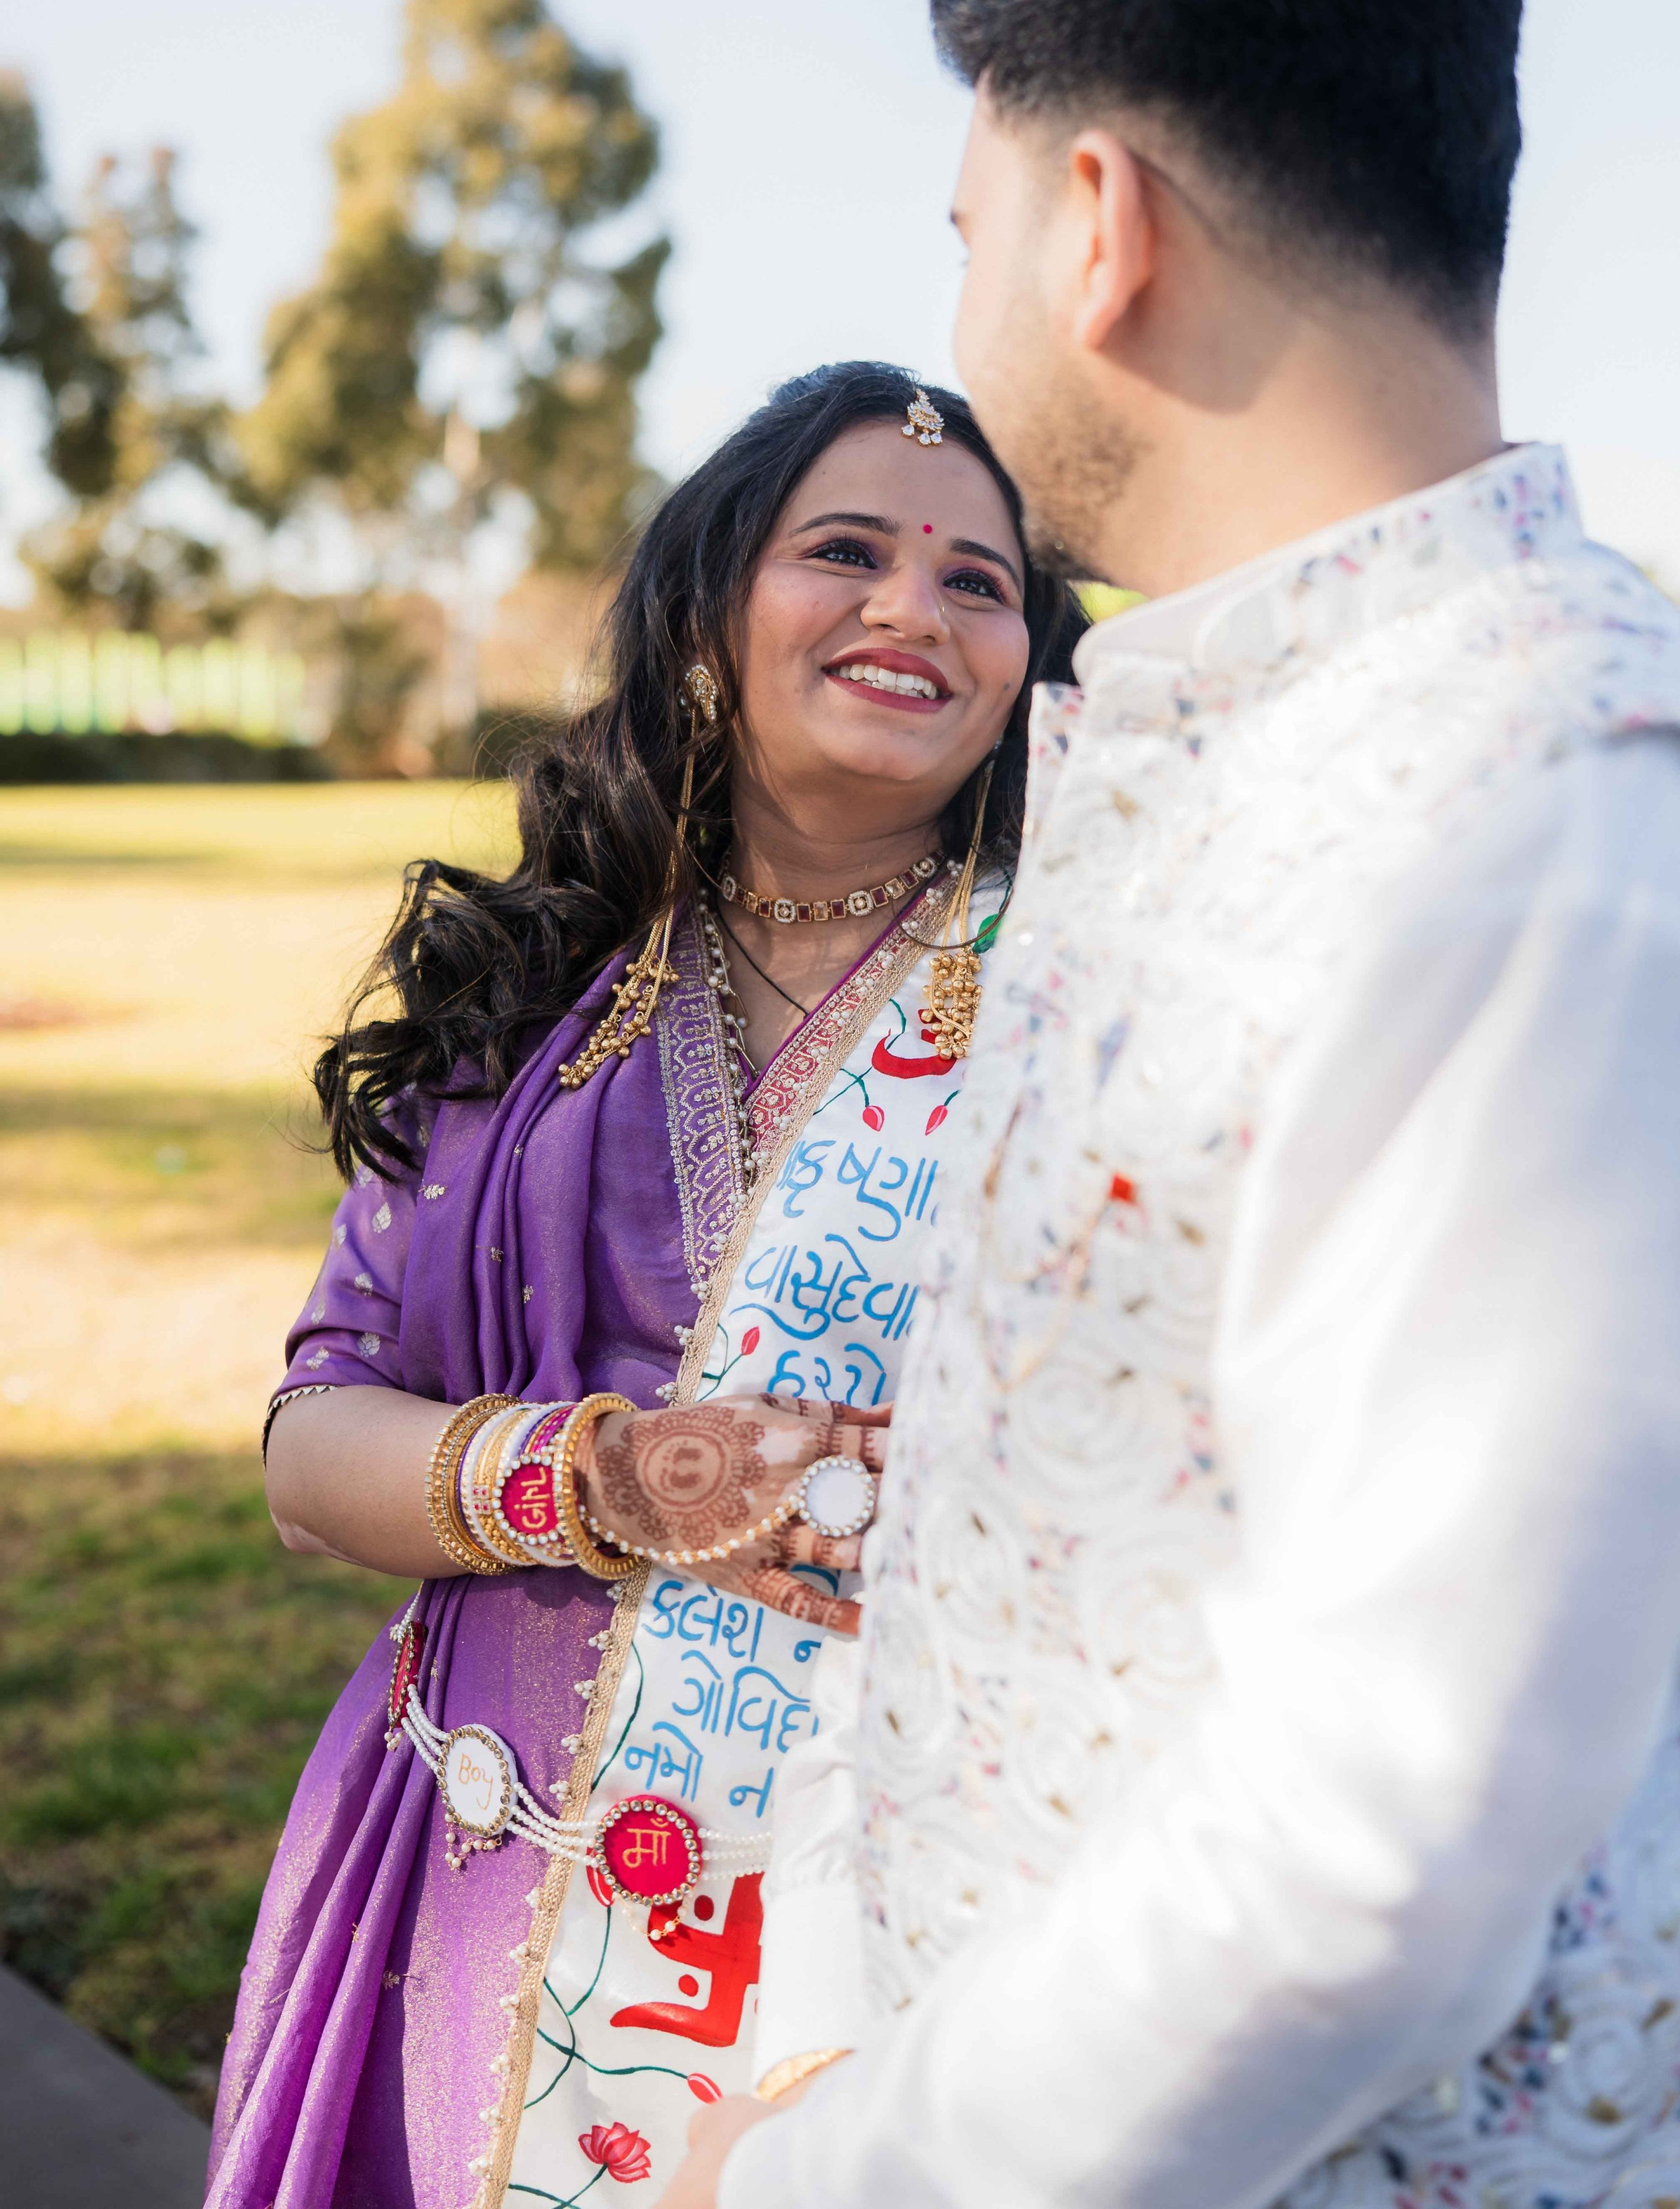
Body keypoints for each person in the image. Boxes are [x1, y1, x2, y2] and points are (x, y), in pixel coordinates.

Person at [687, 0, 1680, 2208]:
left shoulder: (1564, 828)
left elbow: (1371, 1855)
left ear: (1101, 230)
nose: (966, 310)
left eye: (968, 232)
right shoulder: (1205, 752)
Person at [204, 360, 1085, 2209]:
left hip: (907, 1932)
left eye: (980, 581)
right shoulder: (533, 987)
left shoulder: (1094, 991)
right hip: (478, 1897)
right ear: (709, 607)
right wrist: (610, 1477)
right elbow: (312, 1447)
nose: (913, 607)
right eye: (843, 549)